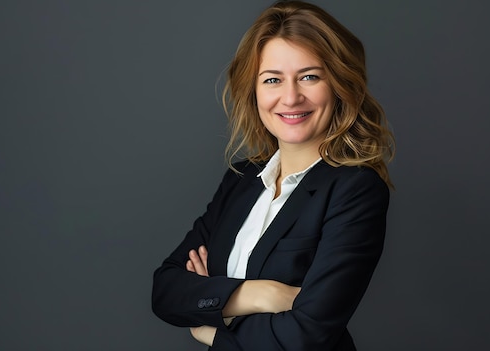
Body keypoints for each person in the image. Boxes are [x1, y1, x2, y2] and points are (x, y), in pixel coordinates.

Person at [152, 1, 394, 349]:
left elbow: (305, 336)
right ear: (254, 91)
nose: (291, 97)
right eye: (272, 79)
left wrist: (210, 330)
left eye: (309, 76)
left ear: (338, 84)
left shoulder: (356, 190)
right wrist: (260, 294)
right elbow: (166, 291)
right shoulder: (242, 178)